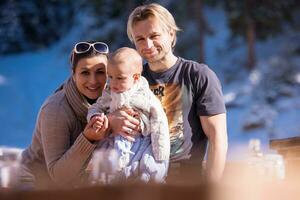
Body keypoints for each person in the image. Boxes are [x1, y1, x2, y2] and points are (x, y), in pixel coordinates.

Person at [125, 3, 228, 183]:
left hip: (185, 179)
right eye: (140, 39)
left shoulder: (197, 75)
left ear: (171, 34)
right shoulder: (132, 80)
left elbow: (217, 138)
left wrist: (210, 189)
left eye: (154, 35)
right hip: (139, 179)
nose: (147, 44)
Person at [19, 41, 112, 189]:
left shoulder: (113, 98)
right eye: (85, 72)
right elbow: (58, 176)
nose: (93, 81)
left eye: (100, 72)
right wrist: (88, 139)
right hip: (34, 183)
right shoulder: (55, 110)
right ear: (74, 75)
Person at [87, 47, 170, 182]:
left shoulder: (144, 95)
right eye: (111, 77)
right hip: (112, 141)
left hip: (138, 141)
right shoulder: (108, 93)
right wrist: (96, 117)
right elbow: (96, 107)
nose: (113, 83)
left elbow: (159, 119)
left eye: (120, 78)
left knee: (147, 166)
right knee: (102, 169)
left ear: (136, 77)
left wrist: (160, 151)